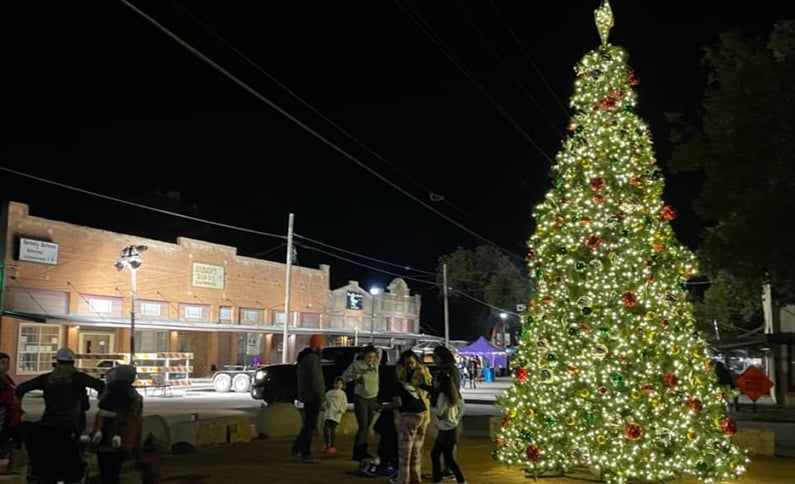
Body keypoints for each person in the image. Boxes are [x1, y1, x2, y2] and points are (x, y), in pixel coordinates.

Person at [16, 347, 105, 482]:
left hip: (48, 423)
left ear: (56, 362)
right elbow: (101, 386)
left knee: (49, 458)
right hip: (72, 425)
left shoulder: (46, 379)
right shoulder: (78, 378)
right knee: (73, 458)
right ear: (72, 363)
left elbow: (20, 389)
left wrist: (19, 409)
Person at [91, 364, 143, 484]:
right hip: (122, 436)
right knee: (115, 472)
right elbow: (134, 419)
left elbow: (101, 406)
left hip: (103, 438)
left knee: (106, 471)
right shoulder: (132, 394)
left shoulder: (108, 390)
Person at [389, 350, 432, 484]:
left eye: (411, 363)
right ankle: (415, 478)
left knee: (405, 452)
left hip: (409, 414)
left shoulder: (419, 374)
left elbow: (398, 402)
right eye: (407, 363)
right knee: (416, 450)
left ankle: (403, 479)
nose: (409, 366)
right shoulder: (417, 373)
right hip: (422, 413)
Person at [421, 346, 460, 482]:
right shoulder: (440, 370)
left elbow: (452, 389)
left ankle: (450, 472)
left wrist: (433, 399)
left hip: (446, 418)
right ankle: (441, 475)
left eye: (436, 356)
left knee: (445, 451)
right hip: (445, 419)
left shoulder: (450, 370)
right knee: (438, 452)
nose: (434, 359)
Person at [341, 344, 382, 460]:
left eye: (373, 356)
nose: (371, 359)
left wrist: (372, 347)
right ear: (364, 356)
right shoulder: (357, 365)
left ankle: (363, 450)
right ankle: (357, 452)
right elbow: (344, 377)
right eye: (369, 356)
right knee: (363, 425)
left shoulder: (375, 364)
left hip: (372, 397)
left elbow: (380, 351)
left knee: (368, 425)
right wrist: (356, 376)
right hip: (361, 398)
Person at [291, 334, 326, 463]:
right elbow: (316, 380)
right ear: (317, 345)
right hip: (312, 396)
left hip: (306, 395)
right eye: (321, 345)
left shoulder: (304, 357)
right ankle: (306, 453)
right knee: (310, 426)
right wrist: (322, 397)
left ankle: (297, 448)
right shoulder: (312, 359)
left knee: (308, 424)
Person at [429, 371, 467, 484]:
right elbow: (462, 408)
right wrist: (455, 418)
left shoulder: (442, 395)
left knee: (447, 458)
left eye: (435, 380)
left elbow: (439, 411)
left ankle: (461, 480)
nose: (433, 382)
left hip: (446, 430)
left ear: (439, 382)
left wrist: (429, 406)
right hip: (450, 429)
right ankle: (438, 479)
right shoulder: (452, 393)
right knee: (438, 455)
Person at [0, 352, 22, 472]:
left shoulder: (6, 378)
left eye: (7, 363)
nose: (6, 366)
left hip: (12, 418)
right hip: (3, 417)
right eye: (2, 363)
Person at [323, 376, 347, 454]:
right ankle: (327, 445)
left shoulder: (343, 394)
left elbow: (344, 403)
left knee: (333, 429)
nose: (338, 385)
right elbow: (324, 400)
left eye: (340, 383)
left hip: (336, 414)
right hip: (328, 413)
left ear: (342, 385)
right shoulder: (329, 392)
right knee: (326, 428)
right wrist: (325, 405)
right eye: (337, 383)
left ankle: (332, 446)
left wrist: (342, 410)